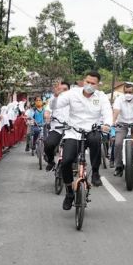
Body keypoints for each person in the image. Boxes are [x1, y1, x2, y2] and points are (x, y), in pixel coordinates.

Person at [50, 71, 112, 210]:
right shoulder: (72, 94)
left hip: (92, 129)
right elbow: (55, 106)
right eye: (87, 82)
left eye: (93, 83)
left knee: (96, 140)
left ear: (98, 85)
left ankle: (95, 171)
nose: (89, 85)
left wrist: (107, 124)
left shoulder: (101, 97)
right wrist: (55, 96)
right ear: (83, 81)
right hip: (74, 132)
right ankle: (69, 193)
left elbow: (107, 111)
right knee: (66, 162)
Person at [43, 81, 70, 171]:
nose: (63, 91)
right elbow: (48, 111)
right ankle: (51, 161)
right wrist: (47, 116)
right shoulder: (53, 99)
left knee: (75, 147)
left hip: (71, 129)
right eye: (61, 89)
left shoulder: (74, 100)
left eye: (65, 89)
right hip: (57, 128)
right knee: (48, 144)